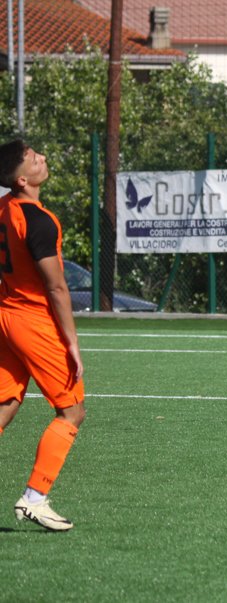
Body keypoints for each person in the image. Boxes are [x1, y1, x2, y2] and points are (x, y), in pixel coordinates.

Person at [0, 139, 84, 530]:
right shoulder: (38, 220)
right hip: (32, 322)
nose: (43, 158)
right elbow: (56, 288)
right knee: (72, 411)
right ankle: (35, 498)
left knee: (5, 404)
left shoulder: (3, 207)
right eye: (35, 159)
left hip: (5, 317)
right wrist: (72, 342)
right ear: (21, 179)